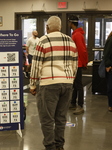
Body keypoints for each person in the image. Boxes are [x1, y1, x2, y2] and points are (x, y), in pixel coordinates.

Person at [30, 16, 78, 150]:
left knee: (47, 118)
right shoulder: (70, 41)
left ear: (47, 27)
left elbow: (36, 65)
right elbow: (75, 65)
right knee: (61, 118)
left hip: (49, 83)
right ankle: (60, 146)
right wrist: (69, 80)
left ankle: (50, 146)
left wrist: (33, 84)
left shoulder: (43, 41)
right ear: (61, 27)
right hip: (67, 83)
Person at [68, 15, 88, 115]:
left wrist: (84, 63)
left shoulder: (77, 35)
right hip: (75, 63)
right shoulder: (75, 34)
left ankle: (80, 106)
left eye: (69, 22)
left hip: (78, 63)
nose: (68, 24)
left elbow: (82, 50)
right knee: (75, 84)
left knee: (79, 85)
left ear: (71, 23)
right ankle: (72, 103)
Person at [103, 31, 112, 112]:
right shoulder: (110, 40)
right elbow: (106, 53)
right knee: (110, 87)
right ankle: (111, 105)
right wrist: (108, 65)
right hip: (111, 68)